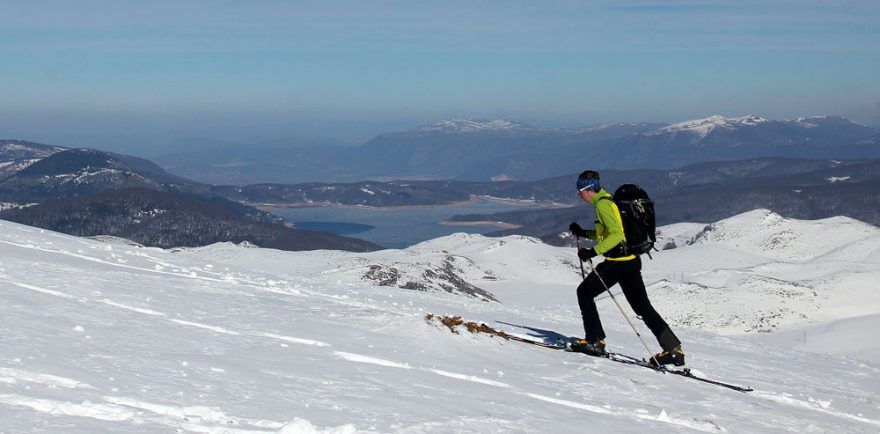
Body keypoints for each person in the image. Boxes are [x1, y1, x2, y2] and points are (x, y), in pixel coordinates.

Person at [568, 170, 685, 366]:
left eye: (580, 192)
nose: (580, 196)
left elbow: (616, 236)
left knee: (584, 292)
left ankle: (595, 341)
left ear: (588, 190)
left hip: (618, 263)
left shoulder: (604, 205)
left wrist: (592, 252)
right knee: (643, 307)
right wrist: (583, 233)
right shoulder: (609, 201)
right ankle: (673, 349)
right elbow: (611, 233)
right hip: (631, 261)